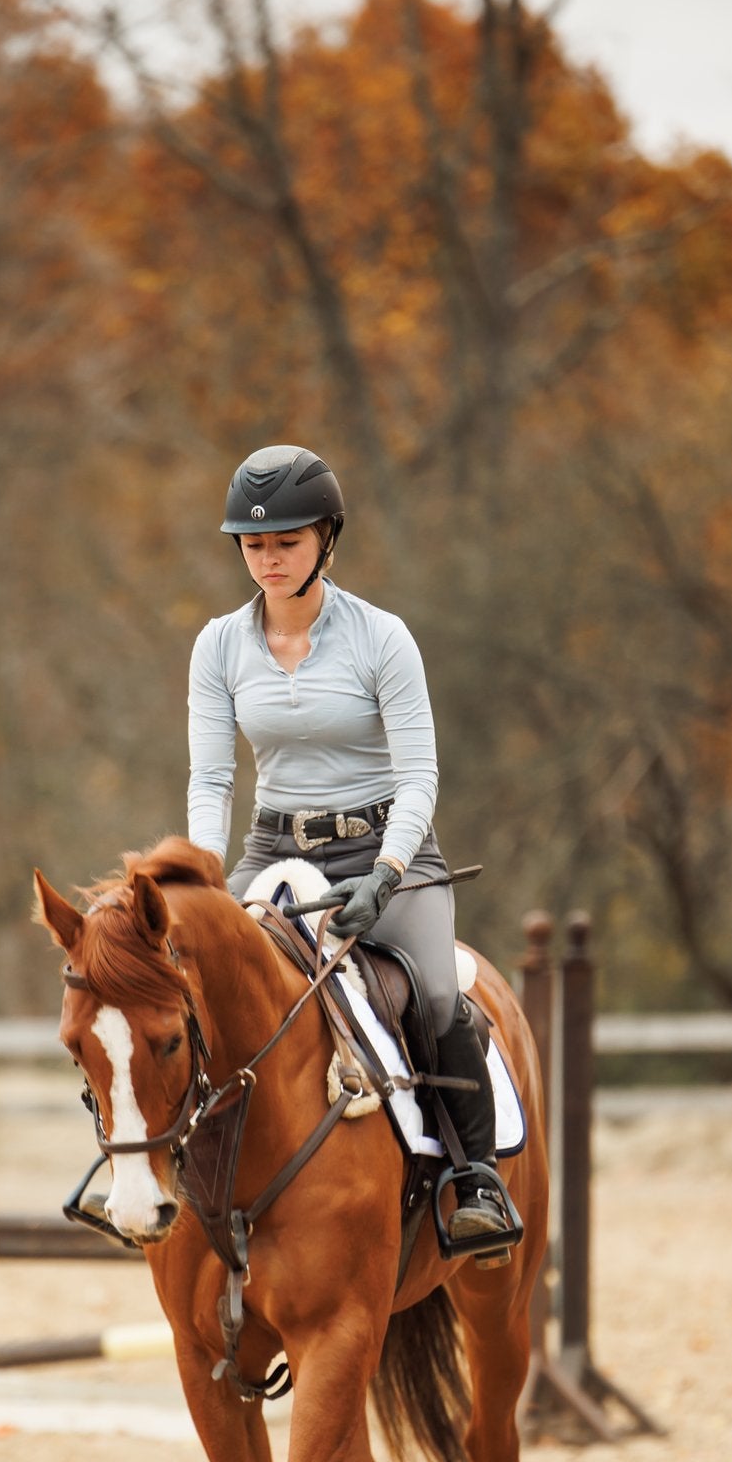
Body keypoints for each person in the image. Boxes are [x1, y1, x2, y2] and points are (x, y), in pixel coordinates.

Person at [186, 442, 512, 1248]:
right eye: (254, 545)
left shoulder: (382, 638)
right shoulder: (218, 646)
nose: (267, 560)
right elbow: (211, 783)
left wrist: (390, 871)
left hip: (385, 846)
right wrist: (202, 884)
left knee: (436, 997)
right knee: (197, 988)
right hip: (273, 849)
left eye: (285, 543)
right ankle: (183, 1173)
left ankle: (477, 1180)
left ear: (326, 537)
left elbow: (420, 778)